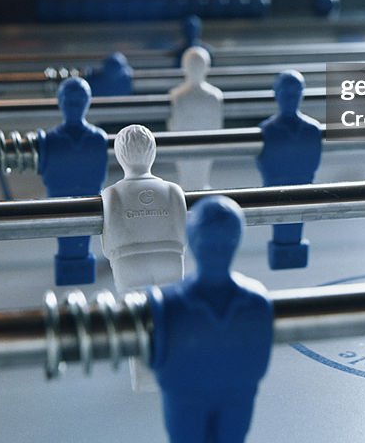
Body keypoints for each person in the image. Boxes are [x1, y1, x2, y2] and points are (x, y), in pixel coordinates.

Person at [148, 197, 273, 443]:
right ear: (193, 242)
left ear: (236, 243)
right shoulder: (168, 302)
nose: (217, 252)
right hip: (186, 400)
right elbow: (160, 362)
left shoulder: (255, 301)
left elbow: (259, 359)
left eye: (224, 244)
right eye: (209, 244)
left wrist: (237, 387)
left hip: (236, 399)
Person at [101, 124, 187, 392]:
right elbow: (183, 234)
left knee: (137, 322)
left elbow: (108, 243)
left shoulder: (111, 195)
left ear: (119, 156)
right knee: (170, 320)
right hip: (171, 262)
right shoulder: (174, 191)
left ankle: (144, 378)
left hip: (129, 265)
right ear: (153, 154)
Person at [36, 77, 108, 285]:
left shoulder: (97, 138)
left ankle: (78, 264)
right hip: (60, 196)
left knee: (83, 236)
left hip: (88, 197)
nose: (74, 108)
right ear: (60, 102)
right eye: (69, 102)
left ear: (88, 102)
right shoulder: (50, 140)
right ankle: (70, 264)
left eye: (78, 102)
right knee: (66, 235)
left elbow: (98, 174)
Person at [256, 70, 322, 269]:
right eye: (285, 93)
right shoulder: (267, 130)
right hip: (277, 193)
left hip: (300, 190)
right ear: (276, 94)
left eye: (295, 93)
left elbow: (312, 163)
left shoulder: (312, 130)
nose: (290, 98)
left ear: (302, 94)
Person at [168, 46, 223, 190]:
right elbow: (175, 126)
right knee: (187, 175)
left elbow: (216, 126)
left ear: (206, 68)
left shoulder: (213, 97)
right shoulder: (178, 96)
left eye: (198, 66)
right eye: (192, 66)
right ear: (184, 67)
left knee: (200, 175)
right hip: (183, 146)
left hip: (206, 145)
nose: (195, 70)